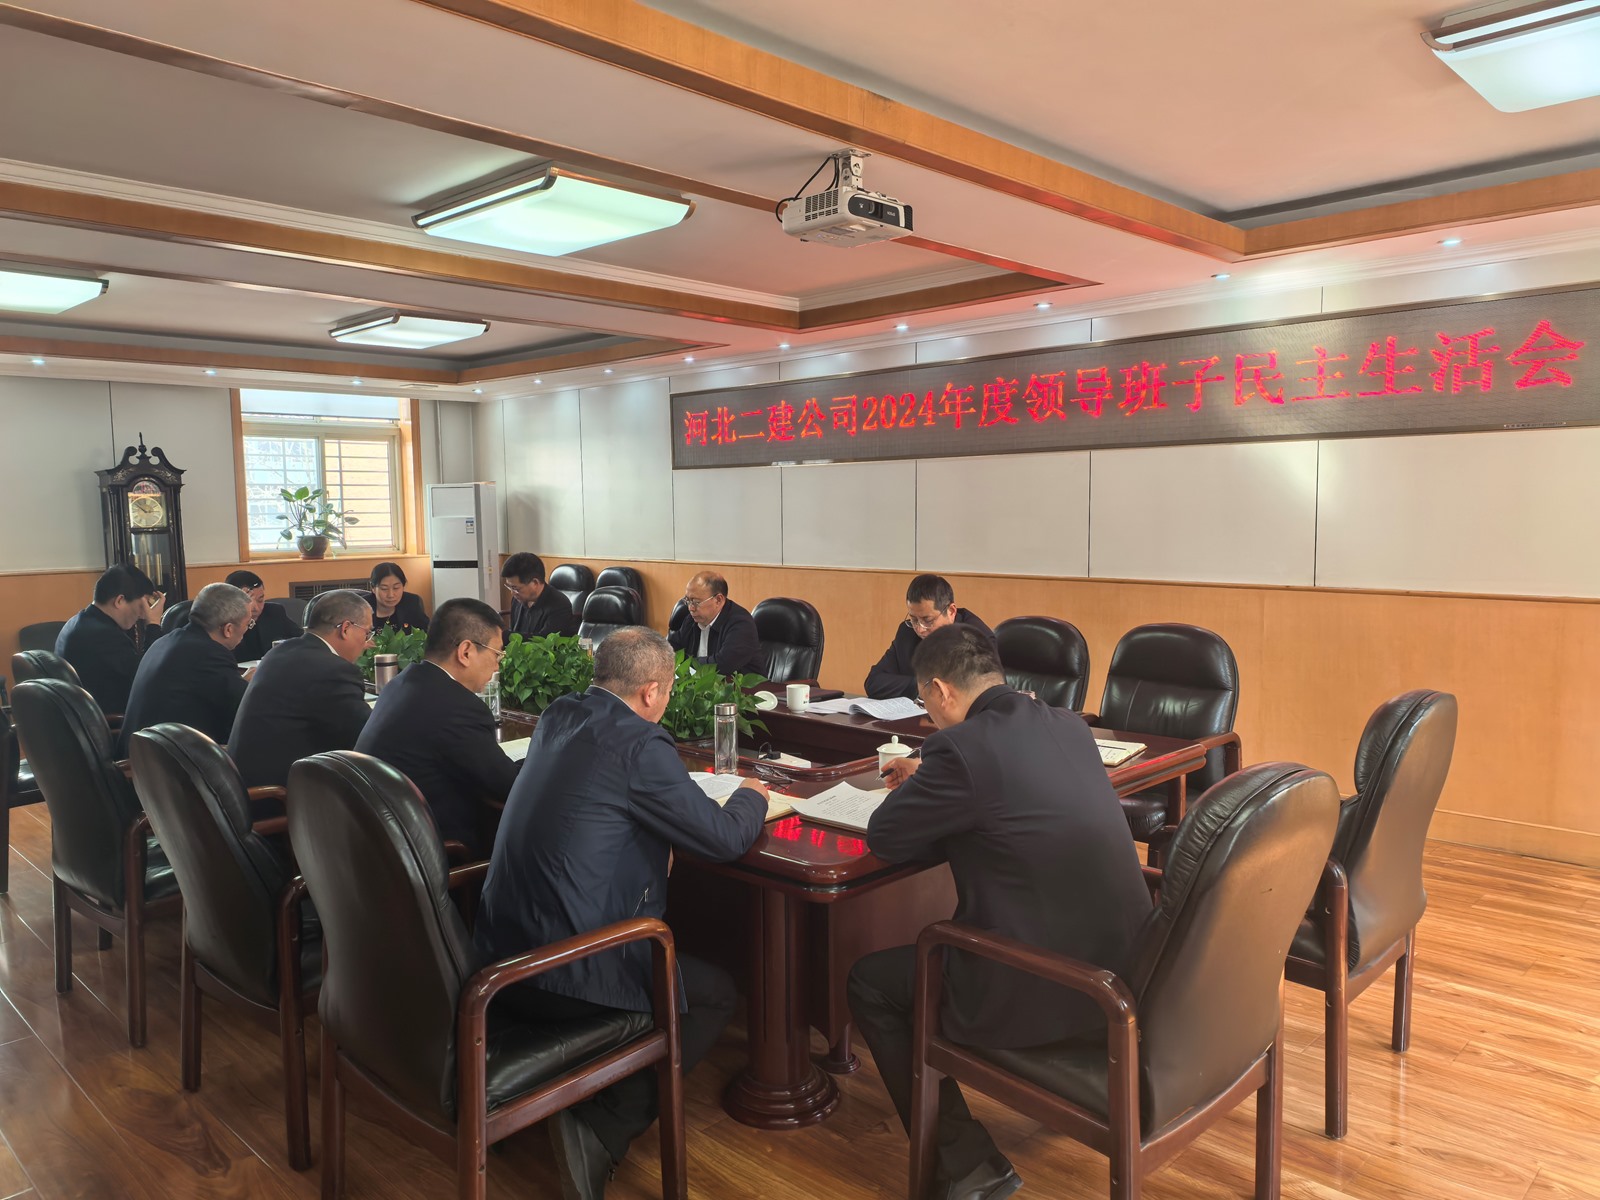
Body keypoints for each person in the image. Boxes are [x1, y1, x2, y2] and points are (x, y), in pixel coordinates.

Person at [849, 624, 1150, 1200]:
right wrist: (933, 778)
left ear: (939, 691)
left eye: (924, 702)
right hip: (1124, 970)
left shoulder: (959, 748)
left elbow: (886, 835)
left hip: (1047, 983)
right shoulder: (1068, 724)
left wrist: (923, 780)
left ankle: (967, 1166)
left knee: (871, 983)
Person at [475, 627, 769, 1200]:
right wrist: (750, 795)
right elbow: (723, 838)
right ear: (652, 691)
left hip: (498, 953)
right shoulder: (641, 743)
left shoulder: (560, 714)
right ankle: (599, 1125)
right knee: (713, 994)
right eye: (668, 690)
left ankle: (570, 1091)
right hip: (565, 974)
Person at [355, 597, 517, 855]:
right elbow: (509, 787)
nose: (498, 665)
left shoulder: (401, 683)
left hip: (379, 845)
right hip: (433, 854)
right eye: (497, 654)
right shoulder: (457, 707)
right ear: (466, 651)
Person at [227, 589, 373, 788]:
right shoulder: (332, 670)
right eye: (366, 633)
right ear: (346, 629)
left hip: (244, 782)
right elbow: (367, 737)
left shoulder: (280, 652)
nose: (366, 642)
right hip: (280, 793)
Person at [115, 582, 253, 757]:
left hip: (140, 758)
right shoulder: (209, 655)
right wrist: (255, 683)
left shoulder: (166, 641)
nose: (247, 629)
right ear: (228, 629)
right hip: (166, 765)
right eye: (248, 624)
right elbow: (247, 710)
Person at [55, 563, 166, 716]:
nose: (143, 615)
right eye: (143, 605)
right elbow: (148, 679)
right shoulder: (105, 637)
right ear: (120, 600)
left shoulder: (77, 621)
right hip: (110, 722)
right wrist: (153, 624)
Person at [865, 574, 993, 700]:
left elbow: (971, 695)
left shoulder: (977, 640)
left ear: (951, 612)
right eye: (914, 619)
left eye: (928, 620)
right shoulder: (907, 632)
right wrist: (924, 688)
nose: (920, 629)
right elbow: (874, 682)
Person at [665, 570, 762, 677]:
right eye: (687, 600)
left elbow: (722, 664)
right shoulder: (692, 619)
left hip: (741, 686)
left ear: (718, 600)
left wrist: (685, 662)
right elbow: (671, 648)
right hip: (701, 684)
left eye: (696, 602)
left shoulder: (741, 624)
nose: (690, 608)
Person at [225, 570, 303, 663]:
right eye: (248, 601)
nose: (256, 608)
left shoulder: (274, 612)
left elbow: (302, 639)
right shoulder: (223, 621)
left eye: (260, 600)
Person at [502, 552, 578, 639]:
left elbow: (545, 640)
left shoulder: (560, 605)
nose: (512, 593)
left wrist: (506, 636)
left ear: (535, 583)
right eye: (509, 587)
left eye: (515, 588)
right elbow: (514, 631)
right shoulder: (517, 599)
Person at [364, 561, 430, 634]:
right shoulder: (361, 607)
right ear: (373, 588)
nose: (391, 595)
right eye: (384, 589)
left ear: (403, 586)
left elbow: (428, 632)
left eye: (396, 588)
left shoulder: (412, 602)